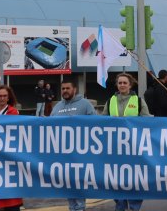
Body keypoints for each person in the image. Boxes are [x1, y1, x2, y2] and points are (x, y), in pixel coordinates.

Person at [102, 73, 150, 211]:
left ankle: (134, 207)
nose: (122, 85)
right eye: (120, 83)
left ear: (130, 85)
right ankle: (120, 205)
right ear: (117, 85)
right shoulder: (110, 101)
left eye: (125, 83)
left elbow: (147, 121)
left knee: (134, 179)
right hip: (115, 147)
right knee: (116, 179)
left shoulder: (139, 101)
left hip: (133, 147)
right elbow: (102, 121)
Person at [51, 78, 96, 211]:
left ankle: (80, 208)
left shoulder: (85, 104)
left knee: (78, 182)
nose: (65, 91)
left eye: (67, 88)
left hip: (80, 153)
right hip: (62, 154)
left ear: (74, 89)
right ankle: (73, 208)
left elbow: (96, 124)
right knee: (68, 183)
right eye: (63, 89)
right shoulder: (57, 107)